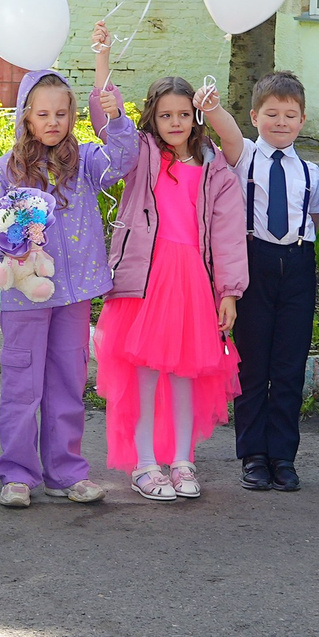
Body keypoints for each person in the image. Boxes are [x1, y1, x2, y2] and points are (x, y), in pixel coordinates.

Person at [0, 25, 136, 508]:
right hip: (24, 291)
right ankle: (18, 473)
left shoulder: (86, 161)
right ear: (26, 117)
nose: (53, 122)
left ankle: (66, 472)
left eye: (62, 114)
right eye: (43, 114)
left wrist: (115, 115)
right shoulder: (8, 169)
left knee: (68, 380)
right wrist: (7, 235)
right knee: (22, 381)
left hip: (75, 289)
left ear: (71, 116)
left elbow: (123, 159)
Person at [98, 76, 248, 503]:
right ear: (152, 117)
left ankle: (182, 460)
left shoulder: (212, 164)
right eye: (166, 115)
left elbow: (228, 233)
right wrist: (104, 71)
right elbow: (109, 128)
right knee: (144, 375)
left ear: (196, 117)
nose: (175, 122)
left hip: (193, 283)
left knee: (186, 374)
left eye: (184, 114)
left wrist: (229, 291)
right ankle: (145, 463)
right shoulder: (141, 153)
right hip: (146, 279)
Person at [202, 71, 319, 492]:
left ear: (303, 120)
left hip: (298, 266)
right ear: (255, 116)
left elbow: (316, 217)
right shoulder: (245, 156)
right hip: (254, 263)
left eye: (290, 115)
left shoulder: (312, 171)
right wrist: (213, 107)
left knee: (288, 367)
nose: (281, 122)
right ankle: (253, 455)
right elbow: (227, 132)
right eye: (272, 114)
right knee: (253, 367)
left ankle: (283, 457)